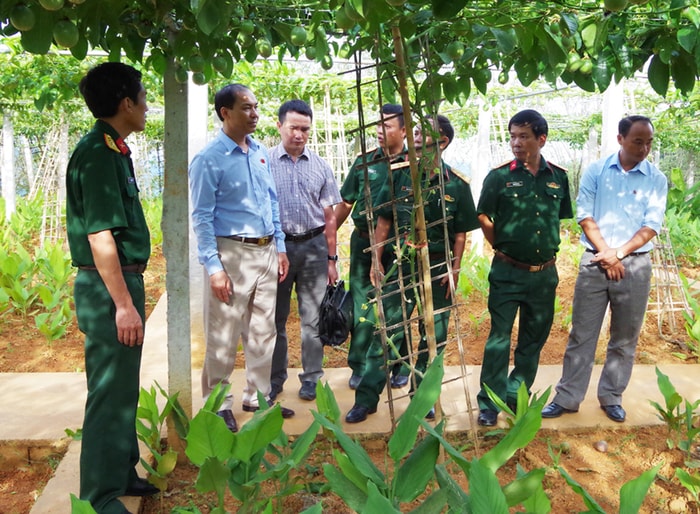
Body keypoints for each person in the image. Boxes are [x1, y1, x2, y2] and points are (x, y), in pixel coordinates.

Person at [345, 114, 480, 423]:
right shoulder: (401, 175)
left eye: (424, 132)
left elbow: (460, 234)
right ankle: (366, 399)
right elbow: (384, 221)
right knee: (387, 329)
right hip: (400, 265)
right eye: (415, 131)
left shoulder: (456, 185)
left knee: (434, 334)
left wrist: (454, 270)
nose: (416, 136)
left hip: (435, 267)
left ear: (442, 142)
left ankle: (423, 397)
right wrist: (377, 259)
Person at [66, 62, 158, 514]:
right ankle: (100, 496)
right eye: (143, 96)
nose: (146, 105)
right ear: (126, 103)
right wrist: (123, 305)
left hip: (119, 282)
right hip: (109, 288)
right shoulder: (99, 153)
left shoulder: (114, 149)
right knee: (107, 390)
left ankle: (122, 472)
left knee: (122, 386)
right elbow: (100, 237)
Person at [542, 115, 667, 423]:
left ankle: (611, 396)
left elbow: (651, 225)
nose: (644, 148)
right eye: (638, 141)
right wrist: (606, 254)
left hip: (634, 264)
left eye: (649, 142)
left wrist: (619, 254)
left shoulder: (655, 178)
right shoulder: (597, 170)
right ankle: (568, 397)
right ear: (620, 139)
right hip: (594, 261)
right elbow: (584, 215)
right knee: (582, 334)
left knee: (625, 337)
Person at [189, 84, 294, 434]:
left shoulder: (260, 153)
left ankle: (258, 397)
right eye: (246, 108)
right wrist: (214, 268)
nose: (255, 114)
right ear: (225, 112)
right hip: (231, 252)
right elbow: (202, 217)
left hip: (265, 251)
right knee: (223, 333)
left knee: (264, 329)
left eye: (256, 107)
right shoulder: (209, 159)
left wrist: (279, 246)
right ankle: (219, 405)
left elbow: (271, 203)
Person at [476, 109, 573, 427]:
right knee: (499, 338)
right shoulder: (500, 176)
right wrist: (501, 246)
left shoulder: (558, 177)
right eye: (512, 136)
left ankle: (515, 393)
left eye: (523, 136)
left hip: (544, 275)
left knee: (534, 338)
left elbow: (556, 219)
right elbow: (483, 216)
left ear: (541, 139)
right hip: (507, 272)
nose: (516, 143)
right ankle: (489, 402)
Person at [269, 99, 342, 402]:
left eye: (305, 129)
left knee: (313, 316)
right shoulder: (264, 162)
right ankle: (274, 380)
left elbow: (330, 218)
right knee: (275, 318)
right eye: (293, 128)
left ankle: (311, 377)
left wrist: (331, 259)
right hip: (278, 247)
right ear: (279, 126)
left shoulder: (321, 166)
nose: (299, 134)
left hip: (313, 246)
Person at [335, 104, 406, 390]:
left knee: (397, 305)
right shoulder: (364, 162)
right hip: (364, 242)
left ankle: (398, 364)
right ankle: (360, 365)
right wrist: (327, 240)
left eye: (387, 125)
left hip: (400, 246)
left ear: (404, 130)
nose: (379, 130)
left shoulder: (413, 164)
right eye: (377, 124)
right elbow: (346, 203)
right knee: (362, 303)